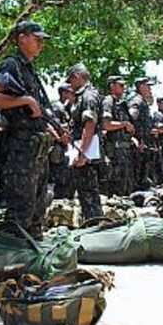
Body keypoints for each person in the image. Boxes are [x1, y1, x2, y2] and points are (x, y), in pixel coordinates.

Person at [0, 21, 53, 235]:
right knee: (20, 209)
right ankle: (13, 259)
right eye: (37, 38)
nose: (41, 44)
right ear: (22, 38)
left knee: (37, 209)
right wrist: (25, 101)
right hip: (20, 149)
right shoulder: (11, 65)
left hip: (35, 148)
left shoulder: (29, 69)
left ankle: (32, 255)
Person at [67, 63, 103, 220]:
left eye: (70, 80)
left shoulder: (88, 96)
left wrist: (82, 152)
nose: (70, 85)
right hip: (84, 150)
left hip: (86, 153)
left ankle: (94, 226)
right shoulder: (84, 96)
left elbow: (89, 125)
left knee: (89, 195)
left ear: (76, 76)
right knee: (86, 194)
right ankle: (92, 224)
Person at [101, 75, 135, 196]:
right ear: (112, 86)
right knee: (115, 184)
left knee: (126, 185)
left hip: (124, 150)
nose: (124, 88)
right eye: (121, 85)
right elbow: (106, 125)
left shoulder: (121, 104)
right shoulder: (108, 101)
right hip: (114, 150)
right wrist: (124, 124)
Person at [128, 77, 155, 190]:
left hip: (144, 144)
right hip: (139, 145)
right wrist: (136, 139)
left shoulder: (142, 101)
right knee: (138, 178)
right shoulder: (137, 101)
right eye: (148, 86)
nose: (150, 89)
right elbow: (131, 118)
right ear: (141, 87)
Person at [49, 83, 74, 200]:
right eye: (70, 92)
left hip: (66, 146)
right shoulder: (56, 106)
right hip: (57, 146)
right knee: (58, 176)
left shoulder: (67, 107)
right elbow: (53, 126)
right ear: (63, 93)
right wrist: (60, 139)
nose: (72, 94)